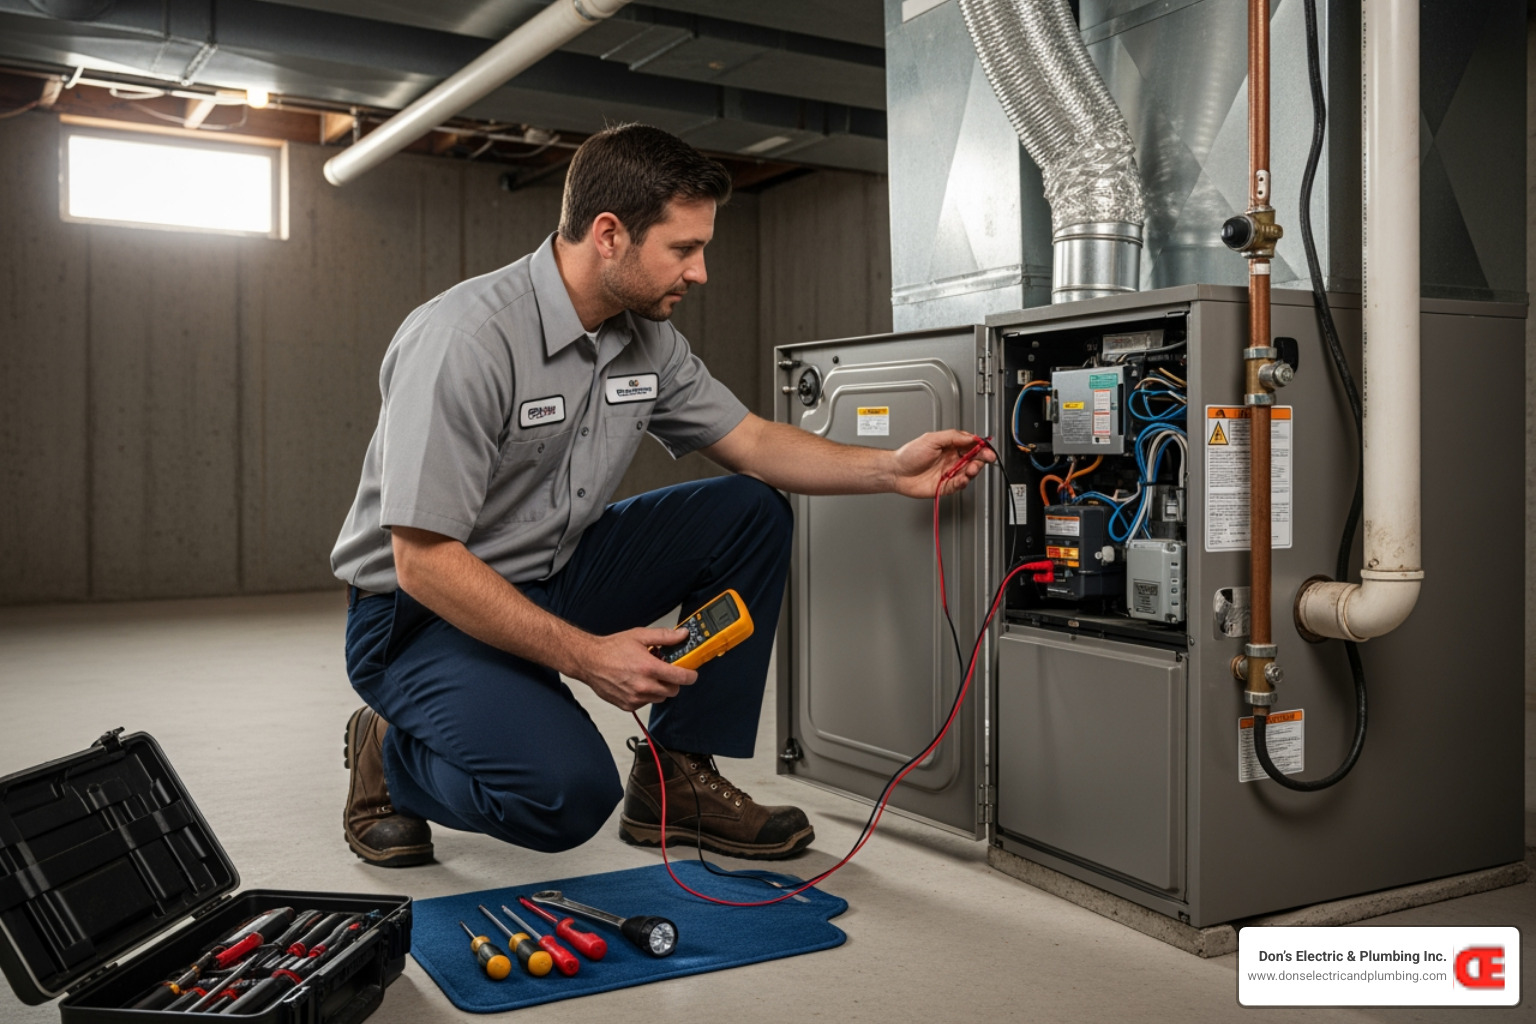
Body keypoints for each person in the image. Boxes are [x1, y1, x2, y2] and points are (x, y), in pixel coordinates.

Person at [331, 123, 991, 868]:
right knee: (565, 795)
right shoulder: (465, 340)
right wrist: (589, 657)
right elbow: (423, 561)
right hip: (419, 616)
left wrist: (891, 470)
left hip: (552, 571)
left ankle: (675, 776)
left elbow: (751, 441)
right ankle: (390, 755)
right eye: (683, 249)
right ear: (609, 235)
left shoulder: (645, 339)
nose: (700, 272)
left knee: (750, 511)